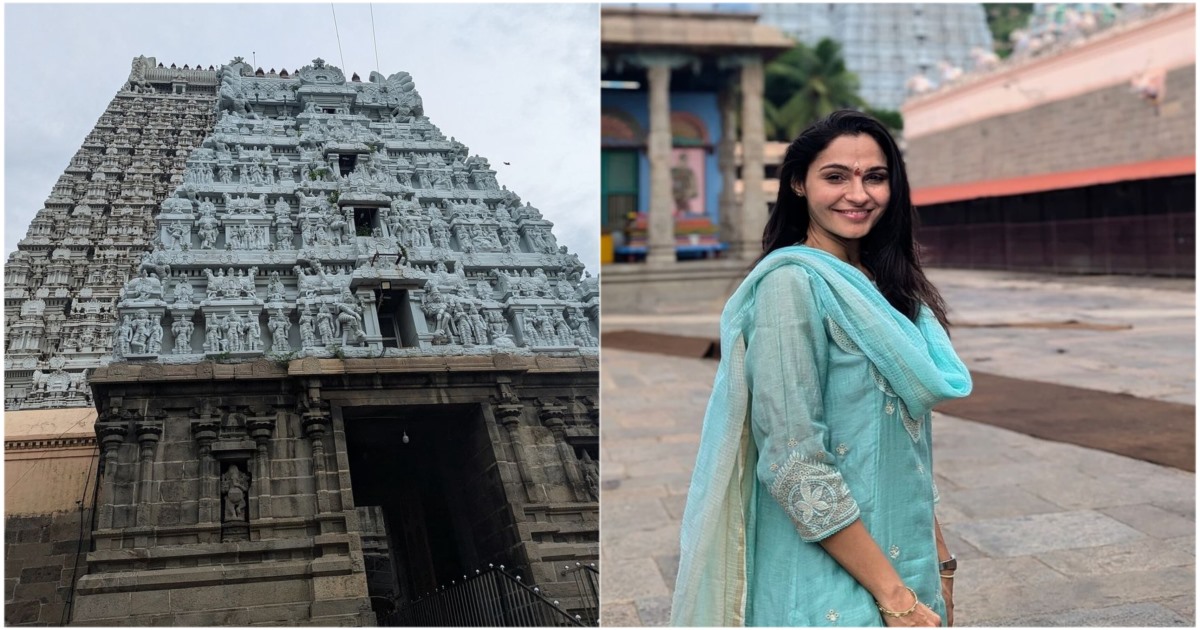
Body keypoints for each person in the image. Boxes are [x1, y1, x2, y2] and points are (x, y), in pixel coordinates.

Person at [670, 111, 973, 627]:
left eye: (874, 177)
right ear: (797, 183)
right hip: (834, 585)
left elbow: (907, 452)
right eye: (836, 177)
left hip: (908, 564)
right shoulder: (791, 286)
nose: (858, 194)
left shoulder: (886, 287)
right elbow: (795, 465)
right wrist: (893, 597)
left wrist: (940, 566)